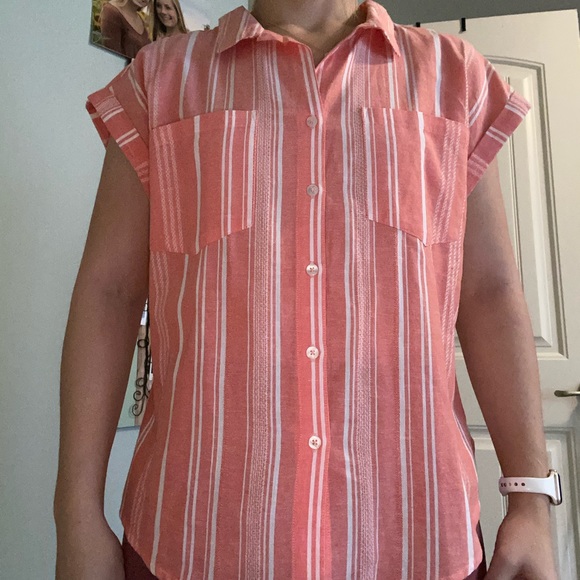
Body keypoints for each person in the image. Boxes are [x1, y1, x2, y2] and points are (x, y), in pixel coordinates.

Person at [53, 0, 559, 578]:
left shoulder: (453, 78)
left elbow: (490, 293)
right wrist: (76, 513)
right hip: (195, 543)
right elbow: (110, 294)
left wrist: (531, 499)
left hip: (418, 543)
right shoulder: (160, 81)